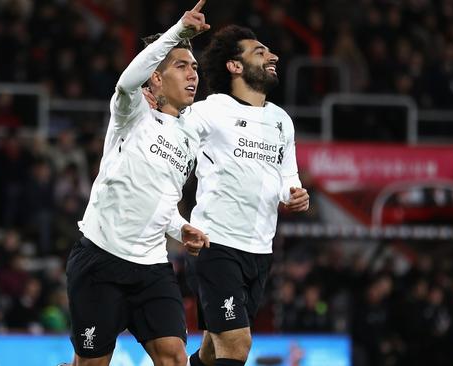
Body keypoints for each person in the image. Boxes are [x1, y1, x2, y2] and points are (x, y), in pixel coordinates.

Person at [146, 25, 309, 366]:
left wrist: (294, 193)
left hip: (260, 249)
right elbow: (171, 126)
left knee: (212, 349)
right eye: (260, 52)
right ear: (235, 66)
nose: (273, 56)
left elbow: (286, 176)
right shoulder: (211, 110)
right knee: (237, 344)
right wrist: (153, 106)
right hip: (216, 246)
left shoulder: (282, 121)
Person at [64, 2, 211, 365]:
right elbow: (127, 81)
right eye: (181, 65)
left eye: (194, 67)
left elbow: (160, 199)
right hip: (101, 261)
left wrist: (180, 228)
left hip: (151, 268)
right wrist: (177, 32)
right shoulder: (132, 112)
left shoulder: (190, 137)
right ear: (157, 79)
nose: (193, 74)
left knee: (175, 358)